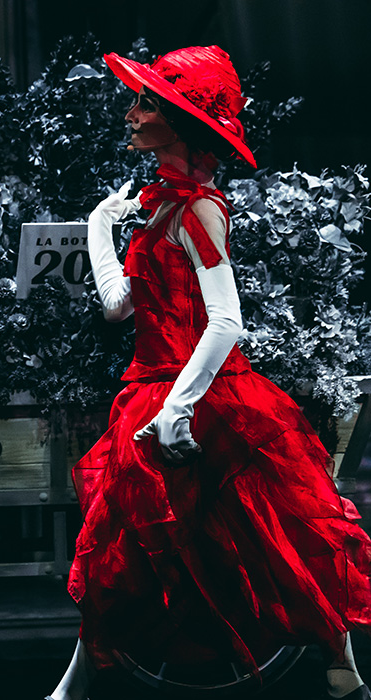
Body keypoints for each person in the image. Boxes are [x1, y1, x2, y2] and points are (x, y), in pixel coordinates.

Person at [47, 46, 371, 700]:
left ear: (178, 121)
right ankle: (75, 685)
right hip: (151, 389)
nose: (132, 113)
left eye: (147, 104)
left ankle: (345, 670)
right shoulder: (158, 206)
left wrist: (180, 405)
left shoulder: (199, 209)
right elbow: (118, 307)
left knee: (269, 529)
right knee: (121, 537)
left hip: (203, 395)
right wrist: (98, 227)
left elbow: (226, 321)